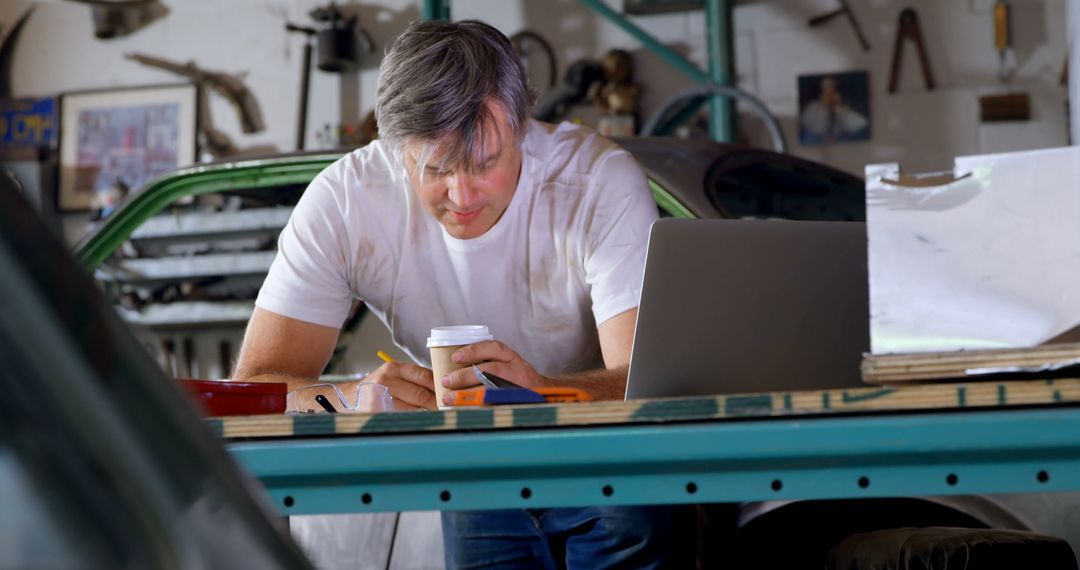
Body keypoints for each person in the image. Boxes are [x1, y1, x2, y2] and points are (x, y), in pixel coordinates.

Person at [233, 19, 694, 569]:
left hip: (613, 462)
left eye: (484, 163)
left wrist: (545, 394)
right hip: (475, 470)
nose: (462, 195)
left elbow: (647, 385)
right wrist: (356, 402)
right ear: (395, 149)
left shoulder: (596, 182)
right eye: (437, 169)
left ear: (522, 125)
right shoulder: (345, 201)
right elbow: (255, 389)